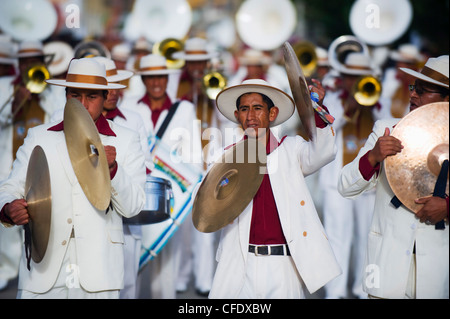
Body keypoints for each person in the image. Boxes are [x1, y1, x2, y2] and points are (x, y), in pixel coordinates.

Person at [0, 58, 146, 299]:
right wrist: (7, 208)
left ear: (104, 97)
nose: (83, 104)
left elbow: (134, 207)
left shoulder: (125, 139)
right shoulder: (39, 136)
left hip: (98, 272)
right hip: (42, 269)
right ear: (65, 96)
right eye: (75, 96)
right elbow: (9, 187)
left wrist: (113, 171)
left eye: (92, 96)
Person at [201, 78, 341, 298]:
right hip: (239, 263)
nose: (251, 116)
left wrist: (318, 110)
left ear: (272, 114)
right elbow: (204, 203)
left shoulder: (291, 149)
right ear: (237, 116)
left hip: (284, 266)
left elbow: (324, 152)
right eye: (244, 109)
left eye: (258, 108)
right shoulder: (224, 158)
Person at [338, 55, 449, 299]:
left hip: (436, 277)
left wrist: (447, 207)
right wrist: (373, 158)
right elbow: (345, 186)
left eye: (423, 91)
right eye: (414, 88)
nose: (412, 96)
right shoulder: (386, 129)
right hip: (385, 271)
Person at [121, 54, 202, 298]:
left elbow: (193, 154)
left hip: (170, 195)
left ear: (167, 79)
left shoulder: (185, 109)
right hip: (133, 193)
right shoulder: (128, 106)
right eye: (151, 77)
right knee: (128, 265)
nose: (156, 82)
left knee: (166, 265)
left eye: (161, 77)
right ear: (144, 79)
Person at [318, 52, 391, 299]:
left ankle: (362, 290)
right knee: (337, 237)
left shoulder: (378, 101)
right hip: (336, 181)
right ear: (344, 78)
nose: (355, 82)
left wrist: (371, 104)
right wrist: (350, 108)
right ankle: (335, 291)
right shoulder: (335, 101)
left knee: (366, 237)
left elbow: (388, 129)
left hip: (369, 184)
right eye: (351, 77)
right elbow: (326, 129)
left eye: (360, 77)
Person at [0, 40, 65, 293]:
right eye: (25, 62)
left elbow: (59, 119)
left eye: (34, 61)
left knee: (41, 219)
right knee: (7, 220)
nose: (29, 66)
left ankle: (40, 268)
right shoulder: (5, 87)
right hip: (8, 163)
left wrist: (40, 94)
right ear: (18, 64)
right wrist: (14, 103)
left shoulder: (53, 91)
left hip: (41, 166)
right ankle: (7, 269)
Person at [92, 56, 150, 299]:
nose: (114, 92)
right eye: (108, 86)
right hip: (93, 216)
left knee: (126, 285)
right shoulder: (62, 118)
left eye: (117, 86)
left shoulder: (133, 120)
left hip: (126, 215)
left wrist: (116, 169)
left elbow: (145, 164)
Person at [381, 44, 426, 118]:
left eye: (401, 62)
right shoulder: (394, 80)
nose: (397, 65)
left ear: (412, 66)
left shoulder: (419, 85)